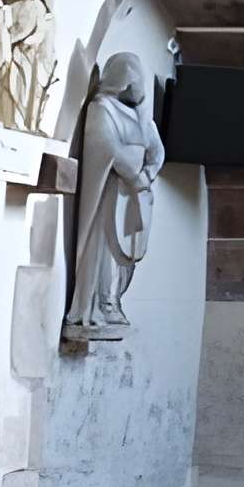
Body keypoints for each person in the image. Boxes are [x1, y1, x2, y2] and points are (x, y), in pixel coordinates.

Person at [64, 52, 165, 340]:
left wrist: (145, 175)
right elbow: (106, 145)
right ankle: (95, 304)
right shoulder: (102, 108)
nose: (133, 85)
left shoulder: (142, 116)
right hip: (110, 191)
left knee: (125, 253)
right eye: (128, 78)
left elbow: (157, 151)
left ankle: (114, 302)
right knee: (107, 248)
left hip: (134, 196)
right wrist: (131, 175)